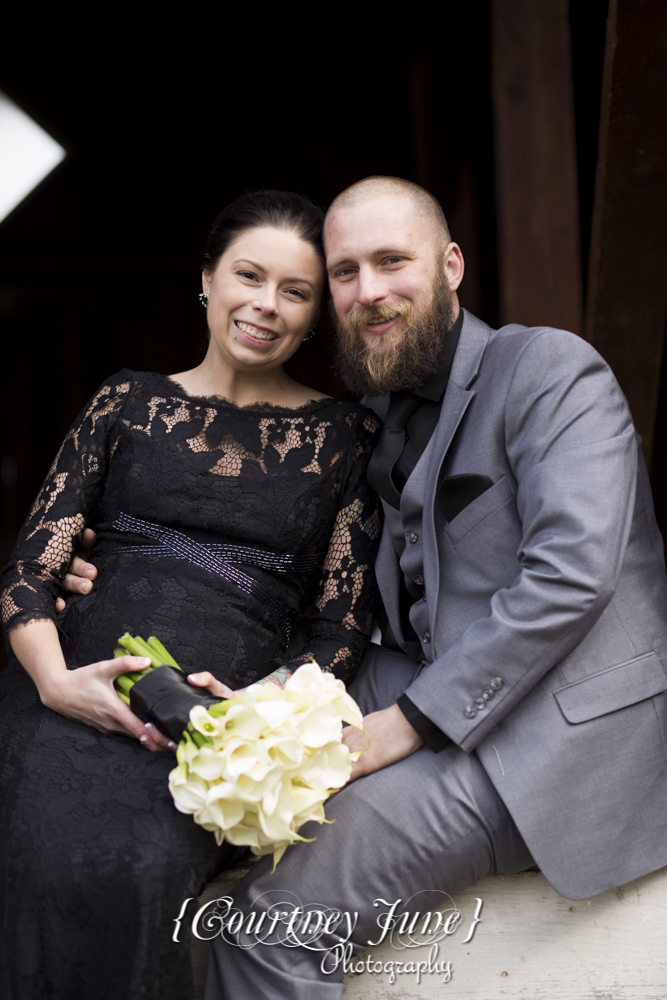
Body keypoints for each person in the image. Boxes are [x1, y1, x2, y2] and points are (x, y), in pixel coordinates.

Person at [182, 176, 665, 1000]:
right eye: (344, 272)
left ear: (449, 266)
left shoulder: (548, 367)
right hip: (441, 677)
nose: (368, 292)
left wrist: (405, 724)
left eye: (391, 262)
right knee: (228, 719)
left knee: (264, 936)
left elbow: (572, 573)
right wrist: (122, 554)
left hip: (557, 730)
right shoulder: (373, 411)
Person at [0, 190, 381, 1000]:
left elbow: (340, 624)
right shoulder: (125, 402)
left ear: (316, 315)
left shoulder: (345, 439)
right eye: (249, 275)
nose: (265, 306)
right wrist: (54, 683)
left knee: (140, 869)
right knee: (36, 852)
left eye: (295, 291)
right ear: (207, 278)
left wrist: (256, 711)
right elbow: (32, 567)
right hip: (65, 691)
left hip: (218, 728)